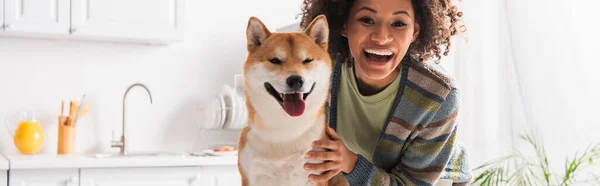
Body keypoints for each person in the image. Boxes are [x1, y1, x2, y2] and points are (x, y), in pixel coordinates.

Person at [299, 0, 473, 185]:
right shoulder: (321, 69)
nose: (381, 37)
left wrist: (351, 163)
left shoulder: (438, 96)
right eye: (366, 20)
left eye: (398, 23)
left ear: (414, 32)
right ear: (343, 24)